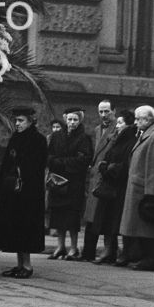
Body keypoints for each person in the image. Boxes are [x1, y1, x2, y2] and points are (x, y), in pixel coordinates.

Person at [0, 106, 48, 279]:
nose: (17, 124)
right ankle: (19, 264)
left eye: (21, 120)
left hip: (28, 193)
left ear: (30, 122)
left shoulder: (38, 140)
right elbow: (6, 163)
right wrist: (0, 186)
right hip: (13, 191)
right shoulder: (15, 138)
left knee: (26, 229)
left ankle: (27, 265)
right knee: (15, 229)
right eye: (16, 120)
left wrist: (20, 163)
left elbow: (37, 166)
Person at [118, 105, 154, 271]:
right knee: (142, 228)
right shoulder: (151, 133)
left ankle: (151, 258)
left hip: (145, 190)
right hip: (140, 188)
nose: (135, 122)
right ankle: (152, 256)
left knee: (147, 226)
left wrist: (151, 195)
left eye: (138, 119)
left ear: (148, 119)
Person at [45, 107, 93, 260]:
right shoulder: (57, 136)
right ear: (65, 119)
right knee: (58, 215)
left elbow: (83, 159)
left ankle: (73, 247)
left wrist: (61, 162)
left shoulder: (84, 138)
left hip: (74, 183)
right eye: (70, 119)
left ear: (80, 121)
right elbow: (48, 155)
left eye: (75, 119)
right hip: (57, 182)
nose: (72, 122)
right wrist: (55, 162)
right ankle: (60, 246)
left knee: (72, 217)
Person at [92, 110, 136, 264]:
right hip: (109, 186)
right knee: (107, 220)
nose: (117, 125)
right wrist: (104, 166)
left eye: (120, 122)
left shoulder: (131, 140)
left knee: (118, 221)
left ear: (128, 124)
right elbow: (107, 157)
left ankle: (123, 252)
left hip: (119, 187)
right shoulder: (117, 139)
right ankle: (109, 250)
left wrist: (109, 168)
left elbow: (125, 165)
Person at [81, 99, 118, 262]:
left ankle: (109, 251)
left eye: (107, 111)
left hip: (107, 178)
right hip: (95, 176)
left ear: (114, 111)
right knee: (92, 217)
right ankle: (88, 252)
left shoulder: (118, 129)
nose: (103, 115)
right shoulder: (97, 129)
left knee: (105, 217)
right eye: (101, 112)